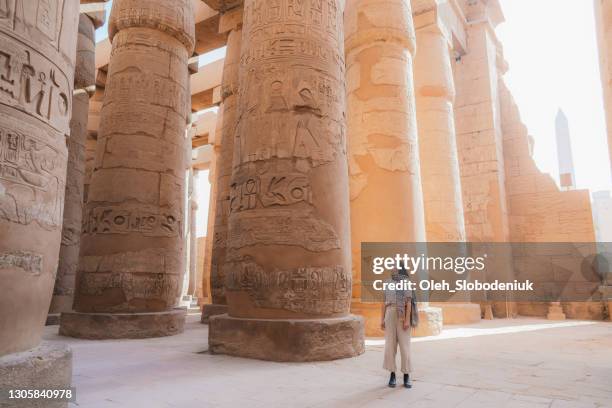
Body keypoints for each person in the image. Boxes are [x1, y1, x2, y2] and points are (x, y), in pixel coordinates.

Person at [381, 265, 414, 388]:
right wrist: (382, 319)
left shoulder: (406, 282)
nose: (392, 268)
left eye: (395, 266)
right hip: (389, 314)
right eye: (391, 266)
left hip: (402, 316)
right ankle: (392, 374)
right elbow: (383, 302)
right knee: (390, 346)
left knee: (405, 347)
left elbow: (409, 302)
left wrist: (406, 320)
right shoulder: (387, 282)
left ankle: (406, 375)